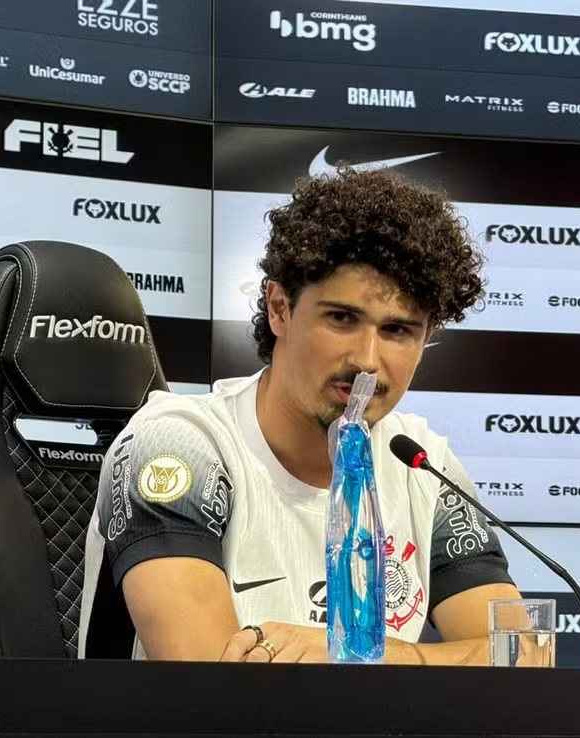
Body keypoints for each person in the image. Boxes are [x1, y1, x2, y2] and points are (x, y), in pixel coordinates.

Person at [78, 166, 524, 665]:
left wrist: (360, 656)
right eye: (342, 318)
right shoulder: (180, 444)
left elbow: (522, 657)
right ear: (279, 309)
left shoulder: (422, 463)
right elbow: (203, 686)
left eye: (398, 330)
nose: (367, 360)